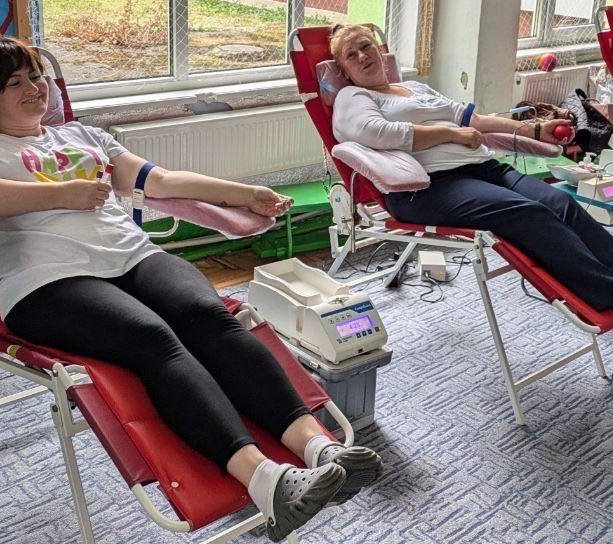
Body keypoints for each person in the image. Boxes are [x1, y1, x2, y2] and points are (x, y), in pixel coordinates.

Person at [0, 37, 381, 543]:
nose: (34, 88)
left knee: (212, 317)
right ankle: (267, 481)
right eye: (14, 83)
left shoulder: (82, 135)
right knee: (152, 338)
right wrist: (60, 194)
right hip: (46, 280)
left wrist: (244, 194)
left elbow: (160, 181)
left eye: (36, 76)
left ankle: (320, 449)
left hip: (132, 256)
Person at [330, 24, 613, 331]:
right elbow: (377, 133)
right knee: (526, 212)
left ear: (381, 50)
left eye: (366, 46)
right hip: (428, 187)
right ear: (343, 71)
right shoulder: (354, 99)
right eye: (351, 54)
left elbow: (472, 119)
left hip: (480, 168)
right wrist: (450, 134)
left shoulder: (413, 88)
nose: (363, 56)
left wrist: (532, 129)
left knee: (559, 201)